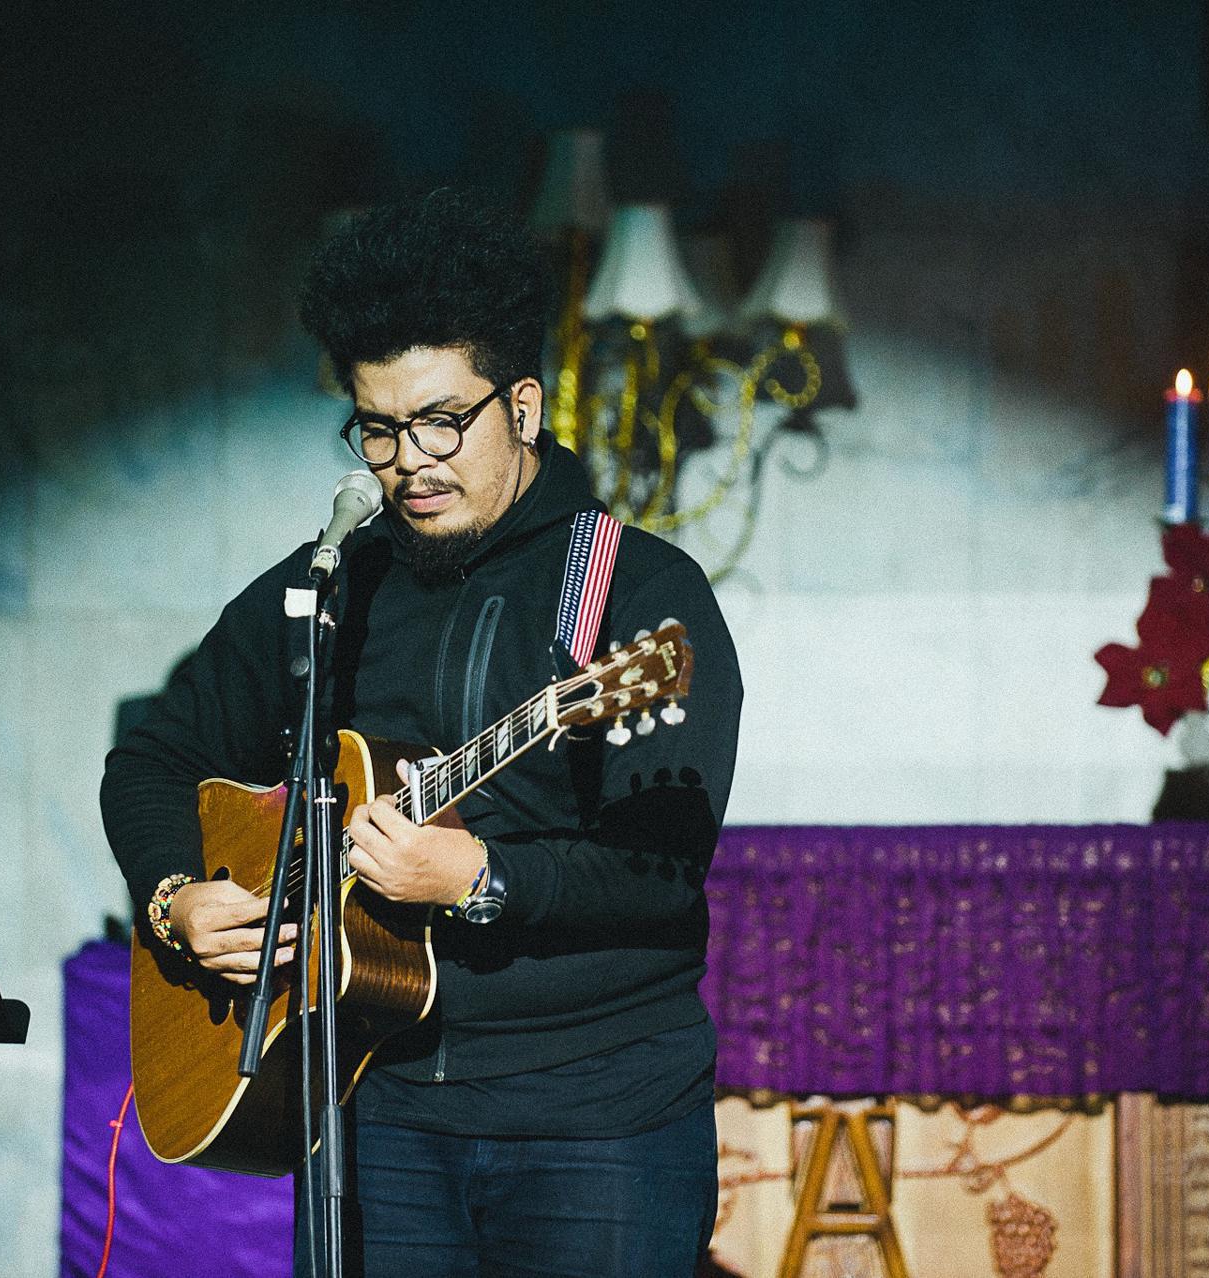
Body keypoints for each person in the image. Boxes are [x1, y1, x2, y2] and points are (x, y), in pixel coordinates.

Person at [100, 187, 742, 1276]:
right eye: (380, 429)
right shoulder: (332, 586)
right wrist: (175, 899)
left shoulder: (638, 593)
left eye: (443, 421)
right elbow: (155, 761)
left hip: (597, 1118)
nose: (410, 460)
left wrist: (482, 878)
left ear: (522, 407)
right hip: (371, 1103)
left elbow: (662, 871)